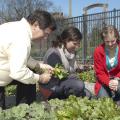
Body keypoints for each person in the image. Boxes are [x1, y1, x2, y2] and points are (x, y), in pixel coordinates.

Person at [0, 10, 56, 109]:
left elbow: (21, 57)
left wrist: (40, 66)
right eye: (46, 33)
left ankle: (24, 108)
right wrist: (41, 78)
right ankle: (25, 109)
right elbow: (18, 72)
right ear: (35, 25)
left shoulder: (15, 27)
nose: (45, 38)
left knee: (30, 74)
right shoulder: (21, 38)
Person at [39, 27, 92, 100]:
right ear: (66, 40)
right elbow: (58, 78)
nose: (77, 47)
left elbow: (72, 70)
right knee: (79, 85)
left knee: (88, 94)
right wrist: (74, 78)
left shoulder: (70, 52)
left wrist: (81, 70)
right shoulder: (54, 53)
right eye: (75, 43)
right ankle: (62, 99)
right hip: (50, 88)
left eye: (78, 44)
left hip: (62, 84)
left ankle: (67, 98)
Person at [93, 25, 120, 104]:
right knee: (104, 102)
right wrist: (108, 82)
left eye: (113, 41)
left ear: (117, 38)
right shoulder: (98, 51)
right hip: (103, 81)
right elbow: (99, 72)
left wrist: (117, 78)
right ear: (103, 40)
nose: (110, 44)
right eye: (107, 41)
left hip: (118, 80)